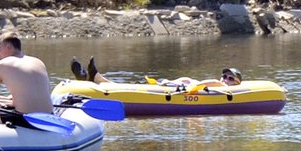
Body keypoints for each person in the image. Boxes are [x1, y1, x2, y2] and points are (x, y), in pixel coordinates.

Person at [0, 31, 54, 126]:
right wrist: (0, 99)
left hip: (25, 119)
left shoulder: (3, 64)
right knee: (1, 103)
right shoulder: (38, 62)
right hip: (49, 115)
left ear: (8, 47)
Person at [71, 56, 243, 89]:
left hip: (170, 90)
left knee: (125, 88)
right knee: (125, 87)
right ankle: (92, 78)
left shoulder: (219, 85)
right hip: (166, 88)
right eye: (225, 76)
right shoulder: (218, 84)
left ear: (237, 83)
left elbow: (209, 83)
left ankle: (93, 78)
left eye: (230, 78)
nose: (225, 79)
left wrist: (194, 85)